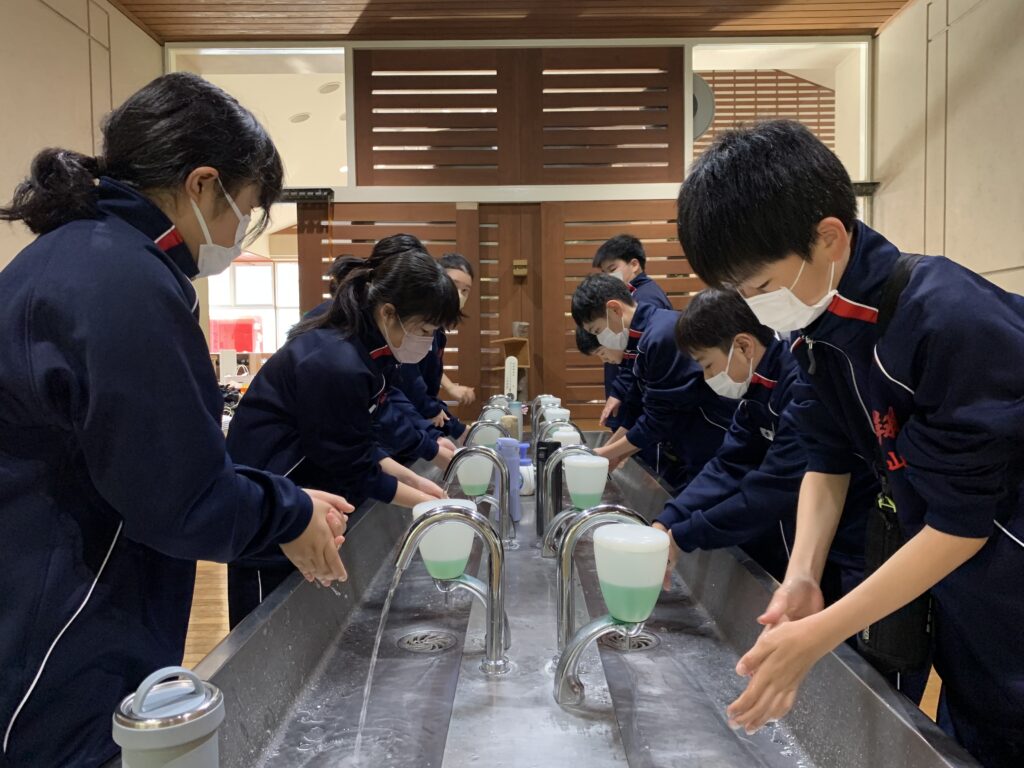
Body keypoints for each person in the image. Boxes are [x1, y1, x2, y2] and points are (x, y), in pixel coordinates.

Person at [0, 73, 349, 768]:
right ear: (202, 185)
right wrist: (289, 513)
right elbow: (180, 497)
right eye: (246, 209)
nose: (239, 233)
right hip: (63, 635)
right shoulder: (121, 281)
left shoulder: (78, 257)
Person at [676, 119, 1024, 768]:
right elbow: (826, 458)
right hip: (963, 603)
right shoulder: (815, 333)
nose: (757, 307)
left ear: (829, 237)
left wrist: (819, 635)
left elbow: (962, 523)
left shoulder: (946, 317)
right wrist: (802, 577)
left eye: (761, 288)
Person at [224, 243, 461, 626]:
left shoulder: (367, 351)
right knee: (267, 626)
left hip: (301, 499)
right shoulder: (336, 361)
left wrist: (415, 481)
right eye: (424, 330)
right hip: (269, 507)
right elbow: (352, 466)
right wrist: (427, 505)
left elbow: (357, 440)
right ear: (389, 313)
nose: (427, 341)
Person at [654, 289, 873, 609]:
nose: (707, 377)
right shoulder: (757, 390)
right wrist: (668, 520)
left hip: (852, 539)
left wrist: (684, 535)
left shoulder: (800, 385)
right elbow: (728, 464)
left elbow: (770, 492)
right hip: (811, 537)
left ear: (743, 346)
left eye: (708, 365)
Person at [571, 274, 736, 490]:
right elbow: (636, 406)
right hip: (689, 442)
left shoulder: (660, 335)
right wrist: (613, 452)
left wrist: (605, 454)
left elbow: (658, 419)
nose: (601, 338)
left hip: (711, 438)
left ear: (615, 309)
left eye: (597, 330)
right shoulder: (641, 338)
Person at [394, 252, 477, 443]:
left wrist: (455, 426)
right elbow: (408, 377)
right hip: (402, 420)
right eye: (454, 285)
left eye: (465, 290)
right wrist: (433, 410)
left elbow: (427, 376)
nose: (459, 294)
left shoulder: (437, 330)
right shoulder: (416, 323)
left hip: (414, 419)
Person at [592, 234, 672, 431]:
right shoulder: (628, 295)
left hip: (637, 400)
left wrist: (619, 392)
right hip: (627, 394)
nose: (608, 277)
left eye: (612, 269)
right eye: (604, 272)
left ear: (634, 264)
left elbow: (638, 356)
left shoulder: (646, 298)